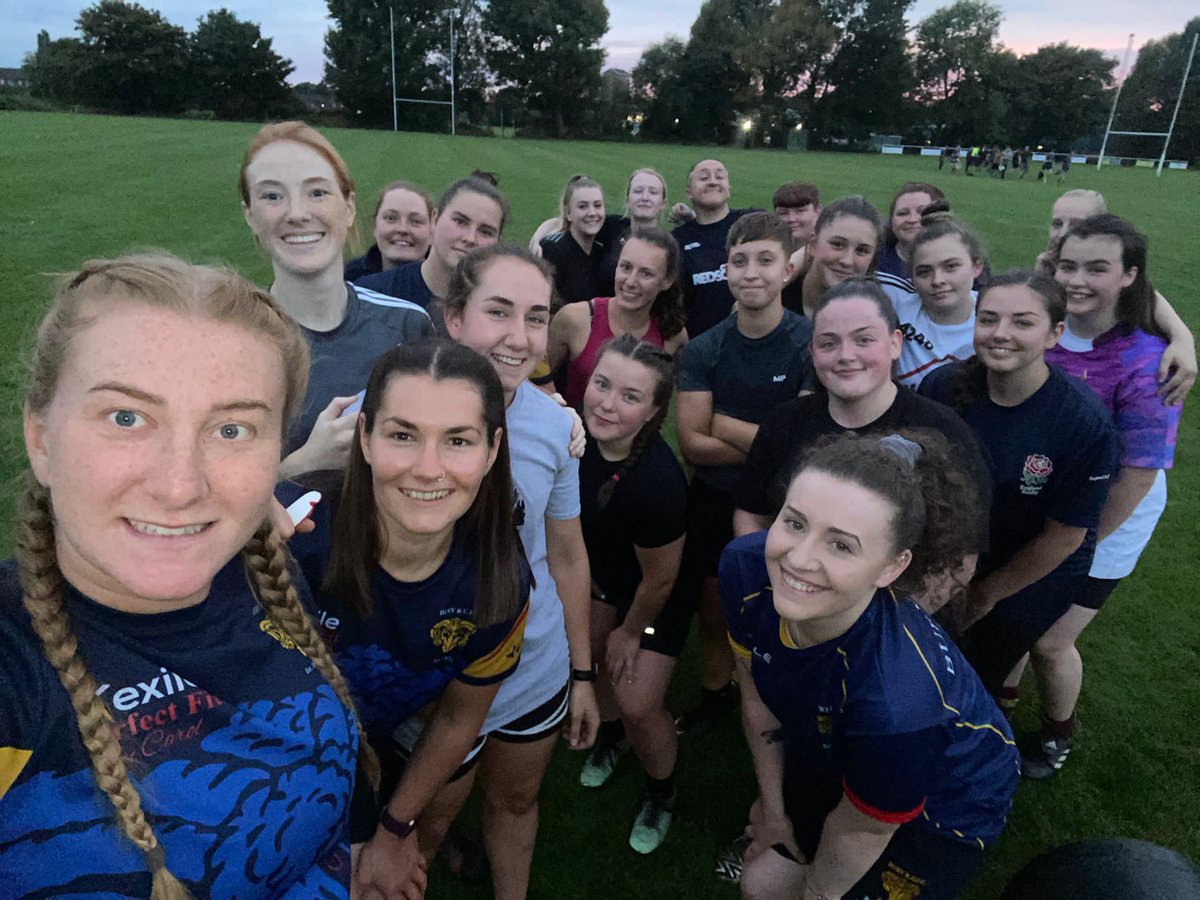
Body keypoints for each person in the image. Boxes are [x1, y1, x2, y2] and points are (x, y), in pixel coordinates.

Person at [0, 254, 375, 898]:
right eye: (126, 418)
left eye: (232, 429)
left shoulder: (266, 571)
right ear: (41, 439)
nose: (180, 485)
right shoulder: (15, 674)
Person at [723, 431, 1019, 900]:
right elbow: (757, 698)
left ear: (891, 568)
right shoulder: (745, 568)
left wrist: (817, 895)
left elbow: (862, 830)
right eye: (795, 523)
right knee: (760, 885)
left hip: (949, 802)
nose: (798, 560)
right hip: (848, 754)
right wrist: (774, 812)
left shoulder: (896, 704)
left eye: (841, 546)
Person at [298, 339, 532, 896]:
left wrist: (392, 829)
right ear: (365, 439)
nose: (429, 470)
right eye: (403, 435)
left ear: (493, 450)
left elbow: (456, 720)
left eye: (458, 441)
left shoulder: (500, 584)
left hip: (376, 751)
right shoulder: (297, 540)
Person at [429, 244, 599, 900]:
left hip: (534, 665)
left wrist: (582, 673)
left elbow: (566, 555)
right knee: (428, 816)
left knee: (519, 800)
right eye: (497, 312)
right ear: (453, 318)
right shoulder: (402, 413)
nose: (518, 336)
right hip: (436, 677)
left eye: (535, 317)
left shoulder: (554, 427)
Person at [1008, 215, 1181, 778]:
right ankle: (996, 710)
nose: (1078, 280)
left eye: (1097, 268)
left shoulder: (1147, 361)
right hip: (1046, 494)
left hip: (1112, 515)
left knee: (1050, 640)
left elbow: (1135, 474)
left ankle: (1057, 736)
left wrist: (1076, 544)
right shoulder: (1047, 329)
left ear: (1130, 276)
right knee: (1009, 611)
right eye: (1069, 265)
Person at [920, 271, 1122, 698]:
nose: (1000, 334)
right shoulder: (942, 386)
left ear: (1055, 334)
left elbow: (1064, 537)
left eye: (1022, 322)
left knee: (976, 675)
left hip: (1033, 568)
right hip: (961, 549)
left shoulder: (1082, 424)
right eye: (988, 319)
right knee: (924, 656)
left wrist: (984, 595)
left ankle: (994, 732)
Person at [734, 278, 990, 602]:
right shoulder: (785, 422)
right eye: (828, 343)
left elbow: (961, 558)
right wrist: (773, 585)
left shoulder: (944, 435)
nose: (845, 355)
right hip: (797, 598)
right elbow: (751, 514)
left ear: (896, 343)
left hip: (893, 621)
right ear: (812, 352)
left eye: (863, 340)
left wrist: (883, 627)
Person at [673, 213, 813, 736]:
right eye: (739, 261)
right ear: (726, 270)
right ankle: (715, 692)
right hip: (713, 498)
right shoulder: (706, 347)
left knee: (791, 606)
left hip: (788, 503)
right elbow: (692, 445)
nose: (751, 272)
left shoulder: (809, 341)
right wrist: (773, 441)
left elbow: (801, 448)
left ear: (787, 271)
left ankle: (790, 701)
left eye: (765, 260)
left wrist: (725, 423)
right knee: (715, 607)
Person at [238, 121, 433, 483]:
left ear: (348, 207)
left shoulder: (408, 325)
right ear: (250, 215)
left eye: (317, 193)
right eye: (271, 196)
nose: (296, 213)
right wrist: (304, 464)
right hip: (280, 542)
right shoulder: (230, 342)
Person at [577, 335, 688, 854]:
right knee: (592, 666)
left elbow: (661, 580)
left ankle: (662, 791)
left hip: (655, 598)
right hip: (606, 583)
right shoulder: (576, 441)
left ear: (653, 412)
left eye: (629, 396)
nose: (606, 402)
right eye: (602, 384)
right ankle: (615, 738)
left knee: (638, 699)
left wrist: (629, 631)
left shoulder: (657, 483)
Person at [1035, 190, 1197, 405]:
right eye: (1057, 223)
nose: (1063, 232)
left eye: (1075, 224)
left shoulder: (1138, 357)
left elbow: (1148, 296)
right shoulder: (1045, 268)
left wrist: (1183, 339)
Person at [546, 227, 687, 408]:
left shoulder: (671, 333)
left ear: (666, 281)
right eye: (626, 267)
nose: (630, 281)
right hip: (575, 432)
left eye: (646, 273)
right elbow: (536, 378)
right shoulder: (576, 319)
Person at [355, 174, 509, 312]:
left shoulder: (503, 306)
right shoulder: (371, 294)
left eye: (486, 232)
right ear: (434, 220)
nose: (470, 238)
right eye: (460, 221)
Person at [882, 206, 987, 387]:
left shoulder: (994, 320)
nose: (937, 280)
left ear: (976, 266)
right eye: (924, 272)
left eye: (951, 267)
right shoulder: (897, 309)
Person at [530, 168, 671, 299]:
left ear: (663, 203)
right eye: (638, 191)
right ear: (627, 200)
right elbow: (565, 221)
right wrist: (537, 238)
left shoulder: (667, 244)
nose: (645, 197)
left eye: (653, 192)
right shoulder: (615, 226)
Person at [671, 158, 759, 337]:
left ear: (729, 189)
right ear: (689, 193)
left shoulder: (751, 222)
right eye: (704, 178)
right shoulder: (678, 239)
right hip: (702, 346)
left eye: (719, 177)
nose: (712, 181)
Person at [793, 196, 883, 318]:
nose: (847, 261)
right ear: (813, 244)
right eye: (838, 244)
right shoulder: (775, 296)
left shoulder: (878, 313)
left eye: (862, 250)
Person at [538, 175, 616, 306]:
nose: (592, 213)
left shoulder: (603, 254)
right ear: (568, 213)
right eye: (582, 206)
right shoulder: (552, 249)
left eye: (597, 205)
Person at [343, 180, 434, 281]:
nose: (402, 229)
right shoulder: (348, 277)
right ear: (374, 225)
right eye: (391, 218)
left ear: (432, 232)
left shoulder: (448, 283)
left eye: (415, 221)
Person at [874, 182, 946, 293]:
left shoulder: (958, 262)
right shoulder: (874, 260)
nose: (912, 219)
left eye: (922, 212)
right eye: (903, 213)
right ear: (891, 222)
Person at [772, 181, 821, 316]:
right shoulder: (769, 254)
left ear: (818, 211)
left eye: (800, 211)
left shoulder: (829, 254)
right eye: (783, 213)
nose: (791, 219)